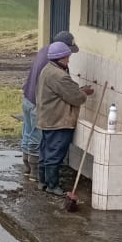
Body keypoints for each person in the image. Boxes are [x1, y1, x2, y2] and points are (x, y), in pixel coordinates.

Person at [35, 41, 93, 195]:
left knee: (45, 152)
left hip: (47, 119)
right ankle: (52, 185)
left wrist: (77, 90)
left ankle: (43, 182)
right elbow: (75, 98)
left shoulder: (47, 69)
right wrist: (84, 93)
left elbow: (64, 92)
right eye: (67, 57)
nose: (69, 60)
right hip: (58, 122)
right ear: (61, 58)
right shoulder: (59, 75)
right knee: (54, 155)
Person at [20, 31, 78, 181]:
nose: (69, 57)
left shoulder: (44, 51)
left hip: (27, 97)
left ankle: (26, 166)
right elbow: (60, 86)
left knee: (27, 133)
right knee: (36, 138)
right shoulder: (53, 63)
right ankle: (34, 172)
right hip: (37, 103)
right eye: (69, 53)